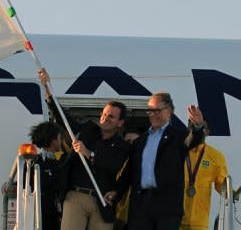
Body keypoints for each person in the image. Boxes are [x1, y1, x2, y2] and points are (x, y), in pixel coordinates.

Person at [38, 68, 130, 230]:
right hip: (76, 197)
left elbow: (113, 165)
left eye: (111, 116)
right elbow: (63, 117)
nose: (105, 119)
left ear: (120, 123)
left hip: (103, 201)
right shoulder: (88, 130)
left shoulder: (122, 146)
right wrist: (47, 88)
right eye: (104, 114)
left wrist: (89, 154)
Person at [105, 91, 205, 230]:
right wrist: (116, 192)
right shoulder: (140, 141)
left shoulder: (178, 137)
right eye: (150, 111)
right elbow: (129, 173)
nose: (153, 114)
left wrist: (198, 127)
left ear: (169, 111)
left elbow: (193, 140)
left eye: (156, 110)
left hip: (167, 209)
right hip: (141, 207)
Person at [180, 121, 228, 230]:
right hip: (175, 218)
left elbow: (222, 185)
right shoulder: (177, 152)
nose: (199, 131)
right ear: (189, 130)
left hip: (199, 220)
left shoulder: (216, 156)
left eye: (203, 128)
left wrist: (231, 193)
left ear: (208, 132)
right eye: (193, 127)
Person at [29, 121, 65, 230]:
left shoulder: (64, 159)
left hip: (60, 213)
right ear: (53, 140)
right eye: (59, 137)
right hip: (43, 213)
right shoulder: (35, 162)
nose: (61, 140)